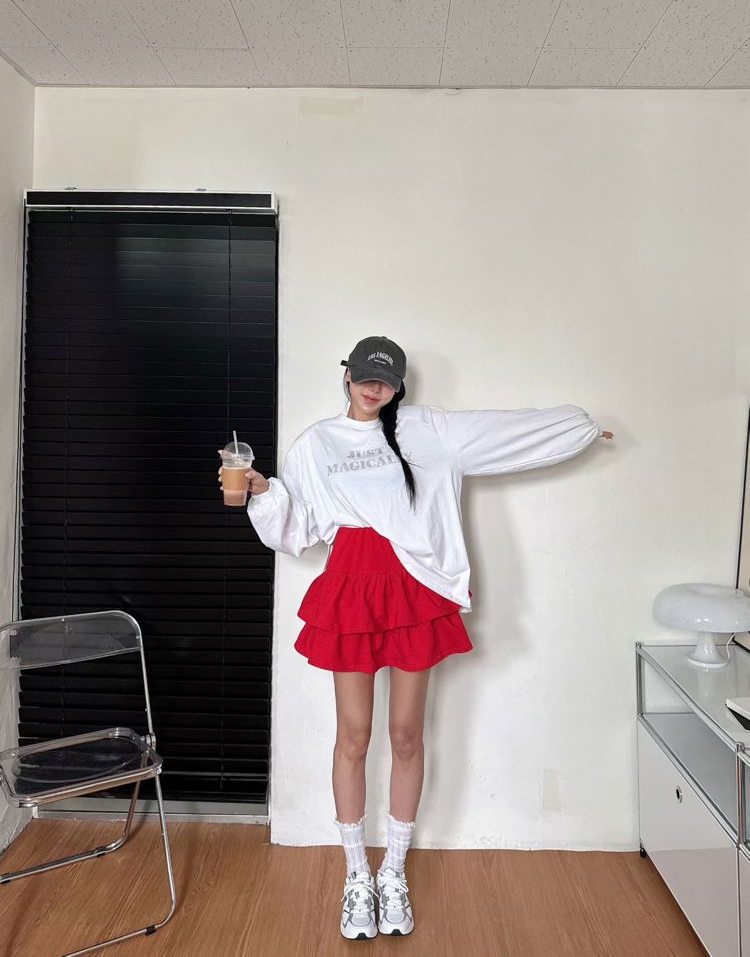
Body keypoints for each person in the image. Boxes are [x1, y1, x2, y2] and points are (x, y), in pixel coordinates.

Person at [218, 335, 614, 941]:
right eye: (364, 376)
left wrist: (578, 430)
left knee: (406, 734)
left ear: (399, 385)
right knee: (353, 735)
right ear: (346, 375)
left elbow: (504, 432)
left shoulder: (427, 431)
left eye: (386, 379)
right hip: (351, 585)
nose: (373, 387)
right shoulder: (317, 442)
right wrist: (263, 491)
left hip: (412, 587)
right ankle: (356, 873)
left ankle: (394, 871)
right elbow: (296, 529)